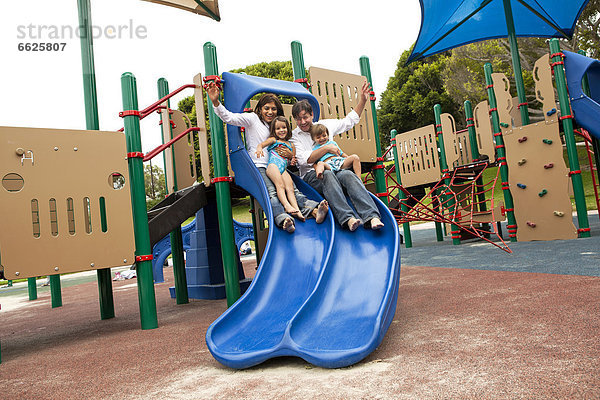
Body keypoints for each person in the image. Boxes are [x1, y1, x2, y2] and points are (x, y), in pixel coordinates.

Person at [206, 82, 328, 233]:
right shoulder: (252, 119)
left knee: (292, 190)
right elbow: (229, 118)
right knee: (272, 192)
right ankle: (283, 219)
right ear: (260, 109)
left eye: (274, 109)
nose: (270, 112)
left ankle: (314, 210)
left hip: (279, 165)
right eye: (267, 108)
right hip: (260, 165)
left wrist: (291, 156)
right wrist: (216, 102)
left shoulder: (277, 126)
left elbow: (286, 148)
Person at [290, 80, 384, 232]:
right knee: (327, 174)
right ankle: (347, 218)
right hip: (311, 175)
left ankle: (371, 217)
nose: (302, 122)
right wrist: (328, 148)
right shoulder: (295, 136)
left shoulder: (324, 126)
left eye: (305, 117)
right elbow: (305, 160)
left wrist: (363, 100)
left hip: (336, 169)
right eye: (298, 119)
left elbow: (349, 121)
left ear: (312, 114)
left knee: (348, 175)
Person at [255, 116, 304, 221]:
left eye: (284, 127)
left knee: (290, 189)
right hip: (273, 166)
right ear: (274, 130)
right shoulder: (274, 140)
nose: (281, 130)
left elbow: (292, 161)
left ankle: (297, 210)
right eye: (278, 128)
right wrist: (259, 148)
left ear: (288, 128)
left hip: (283, 169)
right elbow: (262, 144)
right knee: (280, 185)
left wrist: (292, 160)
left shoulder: (291, 144)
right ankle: (286, 206)